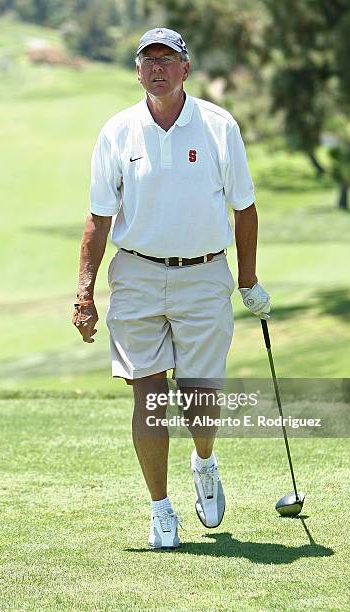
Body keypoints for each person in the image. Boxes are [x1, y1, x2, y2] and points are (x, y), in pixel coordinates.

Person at [72, 28, 270, 550]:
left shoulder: (218, 126)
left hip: (204, 273)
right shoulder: (117, 132)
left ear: (186, 68)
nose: (158, 68)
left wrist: (247, 281)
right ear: (137, 71)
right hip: (136, 274)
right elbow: (98, 219)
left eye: (168, 59)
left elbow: (244, 209)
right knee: (150, 394)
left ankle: (203, 459)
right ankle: (161, 509)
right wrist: (84, 292)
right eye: (148, 61)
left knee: (200, 397)